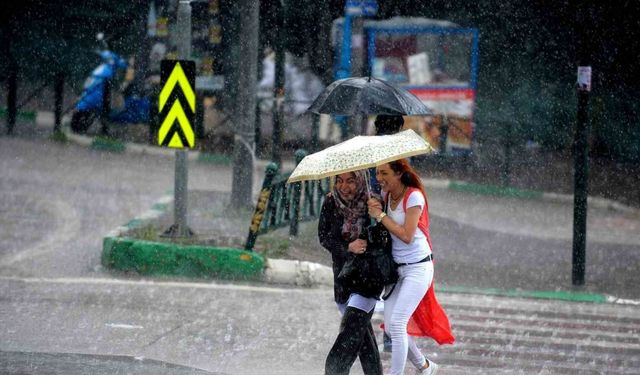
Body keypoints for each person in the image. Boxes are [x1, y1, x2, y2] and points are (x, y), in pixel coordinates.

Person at [367, 159, 450, 375]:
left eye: (384, 173)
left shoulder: (414, 196)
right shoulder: (386, 196)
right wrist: (377, 210)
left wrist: (381, 216)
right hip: (396, 271)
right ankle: (425, 366)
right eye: (377, 173)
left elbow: (406, 235)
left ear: (399, 173)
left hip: (418, 268)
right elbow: (385, 229)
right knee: (392, 326)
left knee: (397, 324)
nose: (379, 179)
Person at [318, 171, 383, 375]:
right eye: (339, 181)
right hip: (343, 277)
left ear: (361, 181)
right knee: (363, 337)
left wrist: (378, 218)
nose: (344, 187)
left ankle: (334, 371)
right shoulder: (331, 202)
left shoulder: (373, 202)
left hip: (368, 277)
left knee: (351, 330)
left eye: (350, 181)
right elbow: (324, 237)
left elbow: (385, 239)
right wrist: (348, 247)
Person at [371, 114, 404, 352]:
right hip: (392, 215)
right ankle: (391, 336)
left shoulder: (369, 148)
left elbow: (373, 183)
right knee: (394, 277)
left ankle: (368, 327)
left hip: (374, 215)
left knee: (380, 271)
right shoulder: (397, 153)